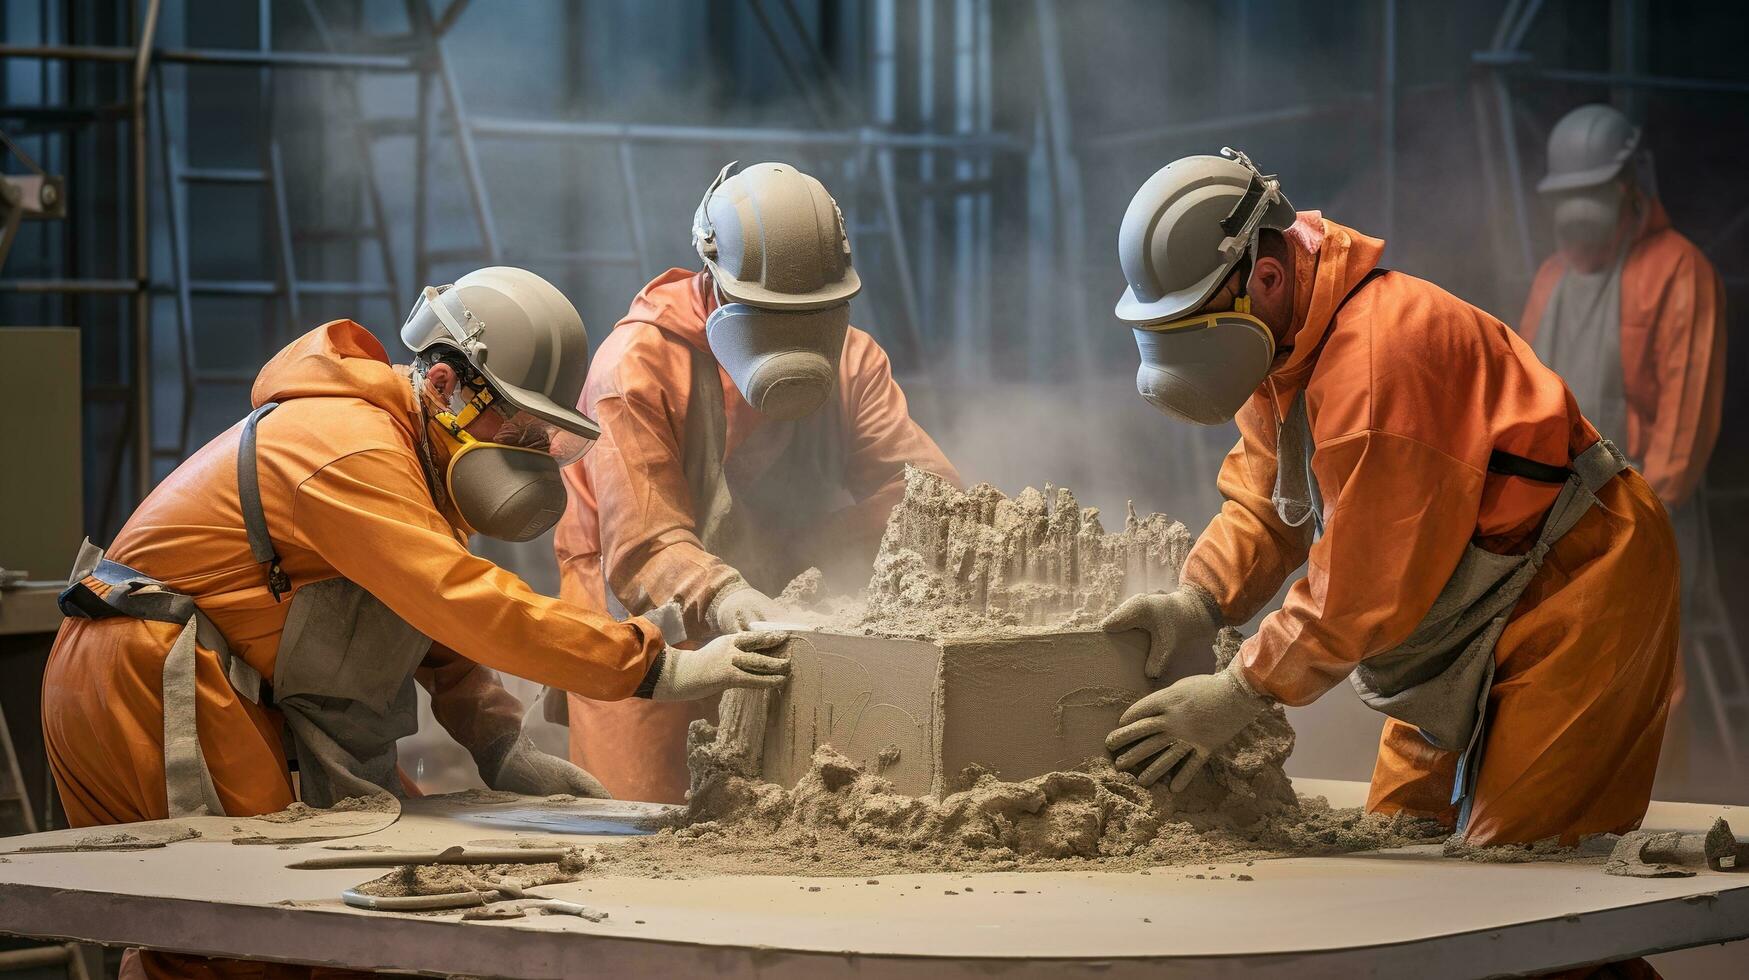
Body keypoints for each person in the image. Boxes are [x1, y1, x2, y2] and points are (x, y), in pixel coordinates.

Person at [43, 267, 789, 980]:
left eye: (544, 437)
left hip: (233, 683)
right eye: (522, 427)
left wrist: (496, 741)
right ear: (444, 386)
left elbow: (423, 620)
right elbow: (461, 598)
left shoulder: (410, 458)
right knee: (225, 937)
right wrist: (657, 667)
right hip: (147, 672)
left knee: (356, 914)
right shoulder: (348, 447)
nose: (531, 453)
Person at [1100, 149, 1679, 849]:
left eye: (1192, 317)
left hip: (1570, 581)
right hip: (1448, 606)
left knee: (1524, 871)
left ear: (1267, 274)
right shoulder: (1278, 346)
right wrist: (1199, 601)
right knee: (1396, 837)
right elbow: (1266, 503)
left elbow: (1363, 582)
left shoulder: (1381, 359)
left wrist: (1237, 692)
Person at [554, 162, 960, 803]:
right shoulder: (634, 370)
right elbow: (644, 546)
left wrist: (819, 562)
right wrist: (728, 597)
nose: (794, 342)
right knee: (649, 833)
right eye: (769, 317)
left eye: (814, 317)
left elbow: (926, 498)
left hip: (776, 631)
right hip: (651, 637)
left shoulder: (853, 358)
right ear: (715, 287)